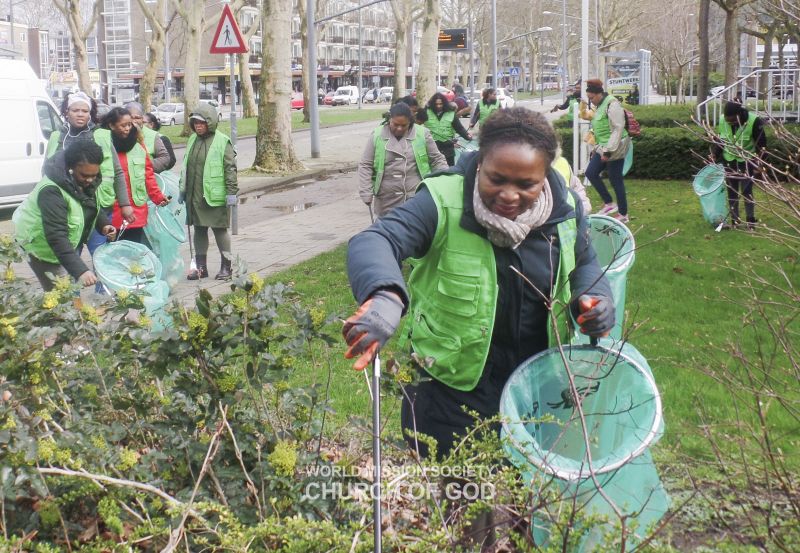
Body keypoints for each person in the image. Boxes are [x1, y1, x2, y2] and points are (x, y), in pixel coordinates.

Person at [343, 107, 614, 461]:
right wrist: (386, 296)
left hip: (536, 389)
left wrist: (594, 296)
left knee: (526, 503)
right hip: (449, 395)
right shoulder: (442, 200)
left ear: (544, 176)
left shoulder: (565, 208)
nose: (509, 195)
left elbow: (586, 263)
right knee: (465, 503)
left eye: (526, 184)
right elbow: (375, 241)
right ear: (480, 162)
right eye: (496, 179)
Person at [13, 141, 117, 291]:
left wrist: (103, 224)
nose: (90, 180)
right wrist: (81, 270)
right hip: (42, 247)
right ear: (70, 167)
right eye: (85, 176)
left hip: (63, 242)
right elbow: (56, 236)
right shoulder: (51, 191)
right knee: (61, 298)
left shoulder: (82, 180)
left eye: (94, 175)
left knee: (65, 294)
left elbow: (86, 203)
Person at [44, 91, 134, 225]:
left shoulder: (102, 136)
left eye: (85, 111)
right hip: (65, 205)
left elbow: (118, 172)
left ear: (90, 114)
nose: (80, 114)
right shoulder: (56, 137)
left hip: (100, 206)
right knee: (71, 245)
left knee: (100, 246)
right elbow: (45, 172)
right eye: (75, 110)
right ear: (67, 112)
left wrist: (125, 204)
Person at [180, 103, 239, 280]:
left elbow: (230, 170)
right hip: (195, 195)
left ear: (210, 122)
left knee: (219, 230)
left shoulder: (223, 141)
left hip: (214, 197)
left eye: (201, 123)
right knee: (199, 230)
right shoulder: (192, 140)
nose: (198, 126)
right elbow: (186, 166)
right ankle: (200, 268)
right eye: (195, 123)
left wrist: (231, 193)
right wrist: (183, 190)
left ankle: (226, 268)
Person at [358, 102, 448, 218]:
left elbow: (437, 159)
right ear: (390, 119)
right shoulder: (377, 135)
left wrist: (444, 181)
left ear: (410, 122)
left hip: (416, 198)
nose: (399, 128)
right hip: (386, 200)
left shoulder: (422, 134)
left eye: (404, 125)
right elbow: (366, 165)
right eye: (395, 124)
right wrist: (366, 191)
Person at [101, 107, 168, 247]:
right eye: (123, 125)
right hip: (113, 209)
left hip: (136, 210)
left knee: (134, 250)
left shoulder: (138, 145)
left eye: (129, 125)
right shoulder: (105, 145)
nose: (127, 129)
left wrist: (158, 197)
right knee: (114, 249)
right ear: (111, 125)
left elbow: (148, 175)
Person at [711, 101, 766, 230]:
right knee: (732, 191)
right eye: (727, 120)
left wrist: (760, 163)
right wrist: (714, 154)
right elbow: (721, 140)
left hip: (747, 160)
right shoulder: (722, 120)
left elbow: (762, 144)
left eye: (732, 121)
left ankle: (750, 221)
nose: (729, 123)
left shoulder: (754, 121)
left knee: (747, 191)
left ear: (739, 115)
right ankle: (735, 221)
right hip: (729, 159)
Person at [583, 79, 632, 223]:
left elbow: (617, 128)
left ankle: (623, 214)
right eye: (589, 98)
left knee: (615, 179)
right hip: (603, 146)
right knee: (591, 173)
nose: (591, 101)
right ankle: (610, 204)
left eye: (592, 98)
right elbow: (601, 127)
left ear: (599, 94)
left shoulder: (612, 103)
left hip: (615, 147)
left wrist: (608, 151)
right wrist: (597, 148)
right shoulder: (600, 105)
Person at [423, 92, 473, 166]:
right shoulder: (426, 112)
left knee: (449, 170)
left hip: (448, 147)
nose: (438, 106)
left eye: (441, 104)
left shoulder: (451, 113)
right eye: (436, 104)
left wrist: (467, 136)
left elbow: (459, 128)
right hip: (432, 147)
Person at [124, 101, 174, 173]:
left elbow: (165, 158)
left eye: (137, 118)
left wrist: (144, 166)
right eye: (131, 117)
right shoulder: (120, 133)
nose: (134, 121)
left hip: (146, 179)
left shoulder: (153, 135)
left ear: (142, 119)